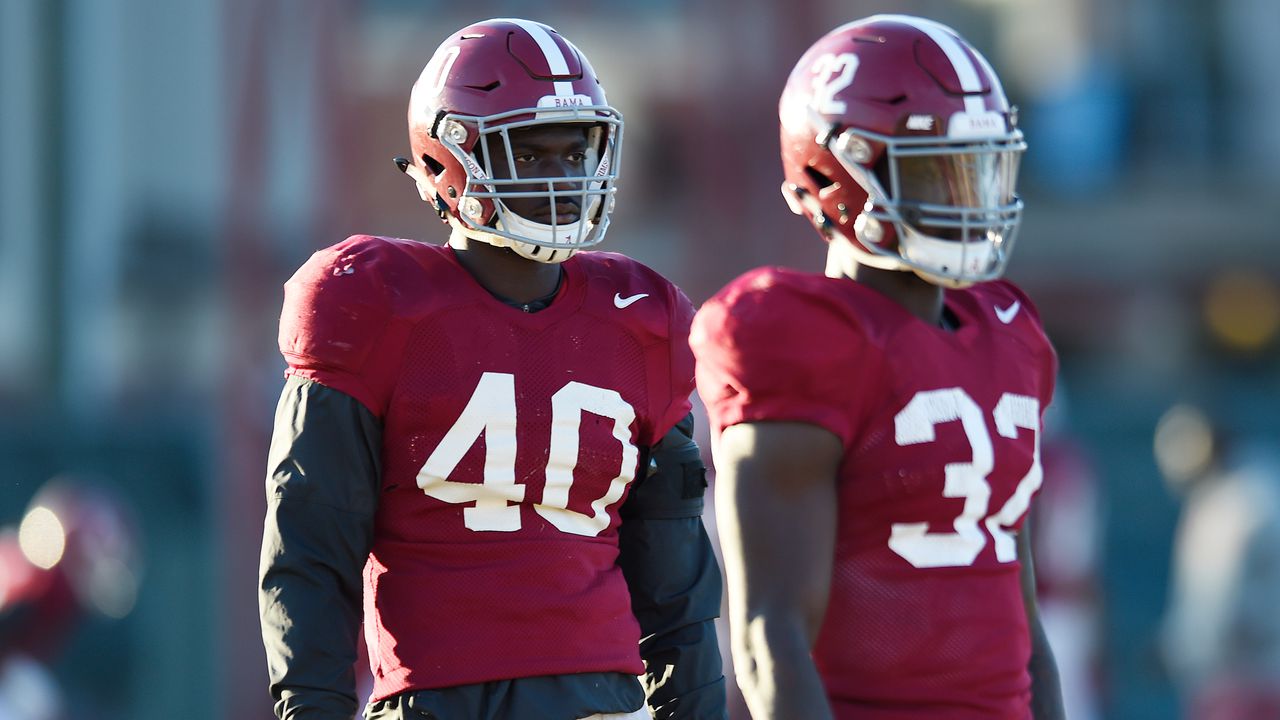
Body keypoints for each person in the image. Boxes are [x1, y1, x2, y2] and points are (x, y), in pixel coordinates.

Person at [258, 18, 726, 720]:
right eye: (533, 155)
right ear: (449, 160)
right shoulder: (375, 306)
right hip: (433, 700)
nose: (565, 178)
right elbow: (311, 557)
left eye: (579, 153)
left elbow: (678, 593)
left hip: (602, 701)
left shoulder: (642, 318)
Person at [689, 14, 1065, 720]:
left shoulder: (1008, 331)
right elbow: (771, 639)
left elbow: (1025, 633)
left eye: (977, 169)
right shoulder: (799, 335)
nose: (966, 200)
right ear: (833, 174)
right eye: (935, 174)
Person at [1156, 404, 1280, 720]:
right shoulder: (1261, 483)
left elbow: (1214, 610)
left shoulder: (1232, 505)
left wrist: (1177, 649)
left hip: (1238, 676)